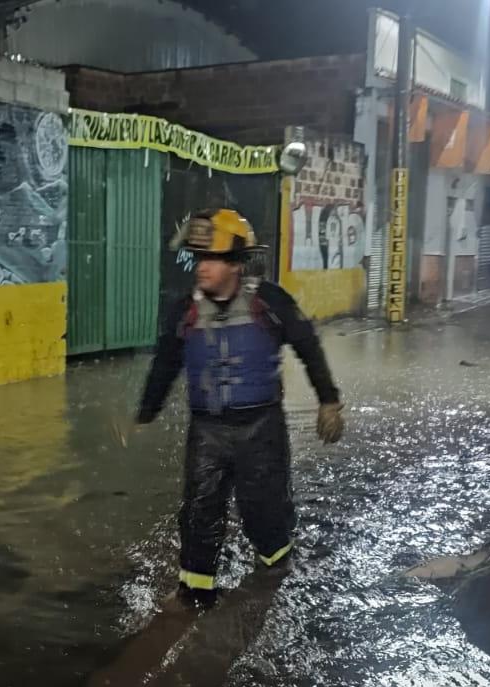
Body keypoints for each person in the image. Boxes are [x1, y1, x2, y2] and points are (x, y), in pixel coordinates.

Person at [136, 208, 345, 606]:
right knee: (199, 512)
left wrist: (329, 401)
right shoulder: (184, 311)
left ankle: (274, 576)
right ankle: (196, 593)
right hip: (207, 430)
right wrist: (146, 412)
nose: (202, 268)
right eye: (199, 259)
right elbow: (165, 363)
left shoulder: (270, 302)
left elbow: (308, 347)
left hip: (261, 428)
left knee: (265, 508)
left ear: (234, 264)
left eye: (211, 259)